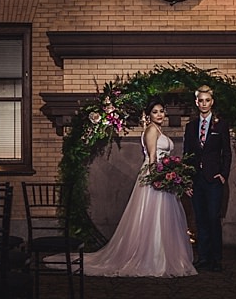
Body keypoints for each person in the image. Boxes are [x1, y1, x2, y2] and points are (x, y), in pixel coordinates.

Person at [73, 96, 198, 278]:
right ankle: (154, 258)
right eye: (155, 112)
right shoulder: (151, 131)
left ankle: (163, 256)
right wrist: (160, 178)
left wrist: (173, 176)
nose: (160, 114)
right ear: (148, 115)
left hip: (163, 176)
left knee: (163, 218)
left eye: (161, 111)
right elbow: (153, 158)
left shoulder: (157, 130)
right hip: (154, 177)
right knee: (153, 217)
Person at [183, 85, 232, 272]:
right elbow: (186, 153)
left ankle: (216, 258)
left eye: (207, 100)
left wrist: (223, 174)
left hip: (214, 180)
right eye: (200, 100)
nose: (204, 103)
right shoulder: (190, 127)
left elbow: (227, 152)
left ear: (212, 102)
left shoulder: (221, 125)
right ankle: (203, 257)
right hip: (196, 179)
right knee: (200, 219)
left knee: (213, 218)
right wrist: (187, 179)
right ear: (196, 102)